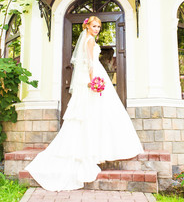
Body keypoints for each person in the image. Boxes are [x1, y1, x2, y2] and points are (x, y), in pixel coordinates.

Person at [25, 16, 144, 192]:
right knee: (93, 114)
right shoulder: (88, 40)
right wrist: (93, 81)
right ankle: (91, 151)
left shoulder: (89, 39)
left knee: (95, 114)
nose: (97, 29)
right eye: (94, 26)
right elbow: (88, 63)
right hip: (93, 76)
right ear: (87, 26)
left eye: (99, 27)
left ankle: (95, 150)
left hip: (95, 74)